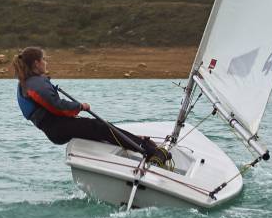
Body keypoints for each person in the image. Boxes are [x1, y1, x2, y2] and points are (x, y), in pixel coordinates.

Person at [12, 47, 168, 164]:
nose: (46, 62)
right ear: (37, 63)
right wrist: (79, 106)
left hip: (57, 128)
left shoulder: (27, 83)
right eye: (43, 60)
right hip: (58, 128)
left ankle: (137, 145)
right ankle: (149, 150)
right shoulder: (35, 83)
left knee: (98, 128)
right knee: (102, 127)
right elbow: (57, 106)